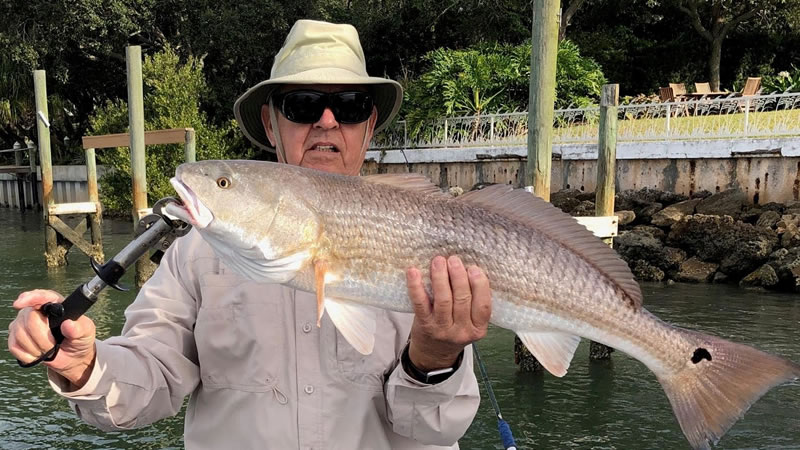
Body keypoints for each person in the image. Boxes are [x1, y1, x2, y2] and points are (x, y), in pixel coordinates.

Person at [8, 19, 492, 449]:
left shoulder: (423, 231)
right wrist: (82, 366)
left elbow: (437, 428)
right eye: (302, 105)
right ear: (271, 122)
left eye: (349, 106)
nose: (327, 120)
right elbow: (145, 384)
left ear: (368, 126)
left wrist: (435, 356)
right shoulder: (194, 255)